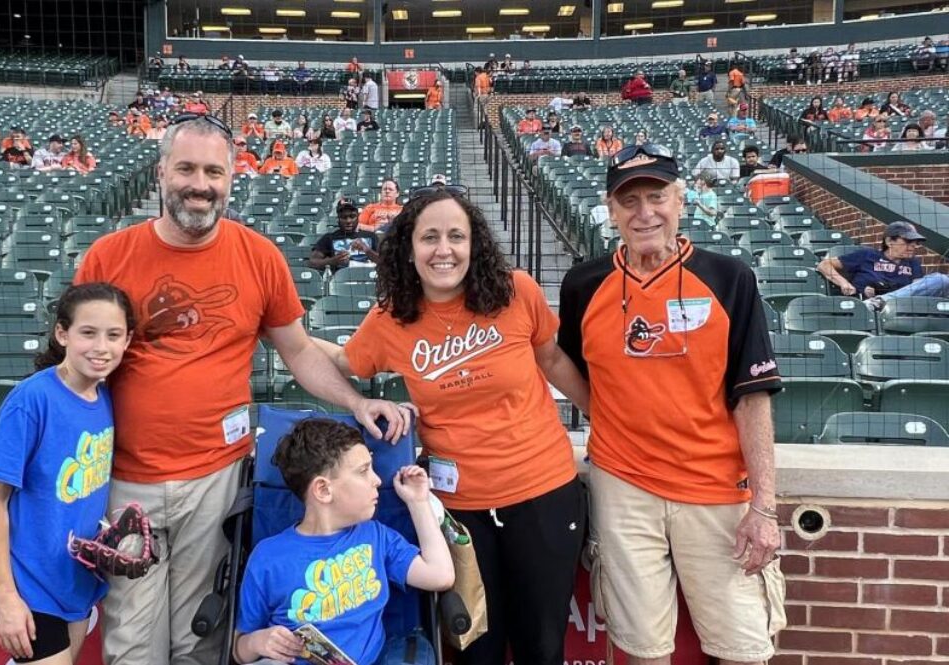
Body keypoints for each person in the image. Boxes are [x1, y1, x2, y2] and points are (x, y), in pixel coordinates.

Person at [72, 114, 410, 665]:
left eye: (213, 171)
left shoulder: (258, 256)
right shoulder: (109, 256)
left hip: (216, 478)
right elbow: (77, 363)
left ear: (232, 179)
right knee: (131, 642)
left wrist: (355, 400)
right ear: (161, 173)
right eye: (185, 168)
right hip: (124, 480)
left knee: (200, 638)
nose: (199, 184)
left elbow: (298, 350)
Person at [314, 188, 591, 665]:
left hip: (543, 491)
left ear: (474, 244)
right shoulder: (390, 319)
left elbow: (553, 359)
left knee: (541, 646)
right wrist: (284, 334)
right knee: (474, 647)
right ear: (408, 247)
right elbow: (344, 361)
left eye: (456, 236)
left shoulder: (515, 290)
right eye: (430, 237)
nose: (444, 249)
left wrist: (604, 421)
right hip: (460, 510)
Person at [558, 143, 785, 665]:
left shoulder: (730, 279)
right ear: (610, 211)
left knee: (744, 644)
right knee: (642, 643)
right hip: (622, 486)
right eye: (629, 201)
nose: (645, 213)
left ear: (680, 201)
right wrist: (606, 412)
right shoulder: (584, 284)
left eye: (656, 196)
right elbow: (565, 366)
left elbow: (752, 400)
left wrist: (765, 508)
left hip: (715, 488)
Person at [0, 283, 133, 663]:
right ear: (62, 334)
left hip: (77, 579)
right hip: (31, 582)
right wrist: (6, 596)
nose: (101, 347)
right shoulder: (32, 400)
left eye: (113, 335)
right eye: (88, 333)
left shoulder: (107, 395)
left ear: (128, 340)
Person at [234, 418, 453, 665]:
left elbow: (440, 575)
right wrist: (257, 642)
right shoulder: (268, 557)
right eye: (363, 471)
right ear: (324, 490)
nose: (377, 480)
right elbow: (238, 649)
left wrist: (418, 502)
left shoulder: (376, 536)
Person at [818, 221, 947, 310]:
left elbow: (917, 291)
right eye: (908, 241)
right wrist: (843, 283)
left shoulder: (913, 263)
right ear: (890, 241)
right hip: (865, 309)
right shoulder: (867, 255)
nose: (913, 246)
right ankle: (876, 303)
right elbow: (824, 264)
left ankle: (880, 301)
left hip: (901, 309)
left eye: (916, 242)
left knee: (941, 280)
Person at [310, 201, 380, 272]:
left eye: (352, 216)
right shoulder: (329, 238)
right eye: (344, 217)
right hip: (340, 281)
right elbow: (312, 262)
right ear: (338, 219)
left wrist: (367, 250)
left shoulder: (371, 236)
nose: (348, 221)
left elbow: (384, 262)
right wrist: (333, 261)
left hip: (369, 279)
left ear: (358, 217)